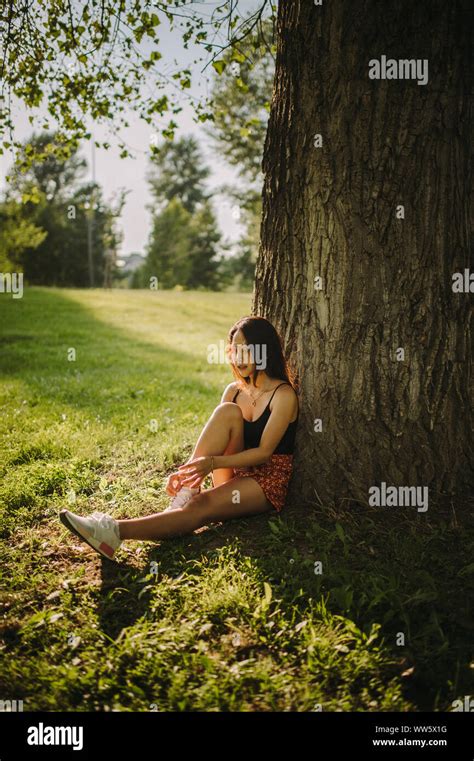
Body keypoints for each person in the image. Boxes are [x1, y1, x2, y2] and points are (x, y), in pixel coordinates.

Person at [60, 316, 299, 560]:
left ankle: (113, 531)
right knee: (226, 411)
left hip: (265, 480)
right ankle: (186, 490)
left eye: (245, 350)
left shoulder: (283, 395)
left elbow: (263, 453)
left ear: (263, 350)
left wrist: (212, 464)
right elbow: (218, 437)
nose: (238, 358)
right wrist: (190, 471)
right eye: (233, 350)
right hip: (237, 470)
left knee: (200, 507)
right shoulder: (235, 390)